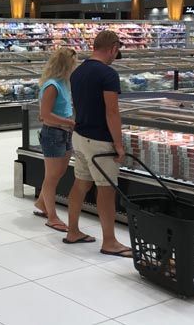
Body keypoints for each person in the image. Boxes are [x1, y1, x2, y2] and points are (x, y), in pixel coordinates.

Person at [65, 30, 132, 258]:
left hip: (79, 136)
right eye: (117, 51)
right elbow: (112, 112)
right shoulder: (108, 74)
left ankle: (72, 231)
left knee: (80, 183)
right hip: (100, 141)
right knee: (106, 189)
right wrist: (119, 144)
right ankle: (110, 242)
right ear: (113, 48)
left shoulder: (77, 72)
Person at [33, 48, 77, 233]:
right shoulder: (52, 86)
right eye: (73, 63)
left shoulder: (64, 83)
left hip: (64, 133)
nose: (75, 66)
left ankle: (42, 203)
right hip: (53, 134)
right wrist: (70, 122)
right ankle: (52, 217)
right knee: (51, 177)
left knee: (58, 173)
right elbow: (45, 115)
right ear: (66, 65)